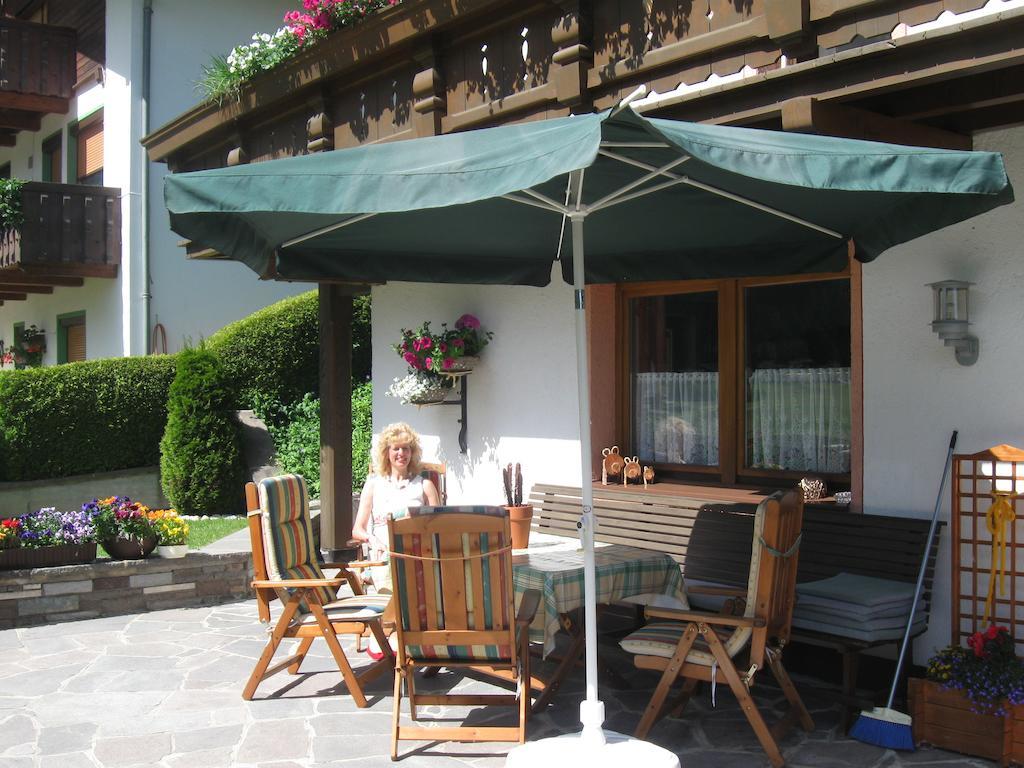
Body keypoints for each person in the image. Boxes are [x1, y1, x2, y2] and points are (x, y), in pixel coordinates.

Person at [352, 421, 440, 590]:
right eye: (396, 448)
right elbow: (357, 530)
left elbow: (437, 527)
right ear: (387, 453)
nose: (401, 453)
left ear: (412, 452)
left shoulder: (424, 486)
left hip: (417, 555)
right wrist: (373, 540)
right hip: (384, 554)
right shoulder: (373, 485)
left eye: (406, 448)